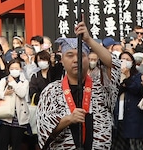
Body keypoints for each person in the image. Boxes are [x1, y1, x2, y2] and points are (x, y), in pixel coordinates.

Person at [37, 22, 121, 150]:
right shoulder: (51, 91)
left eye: (81, 55)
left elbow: (114, 64)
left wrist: (89, 40)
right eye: (69, 55)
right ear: (62, 61)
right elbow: (44, 130)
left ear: (89, 59)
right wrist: (68, 119)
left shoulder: (102, 87)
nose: (76, 59)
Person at [0, 57, 29, 150]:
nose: (14, 71)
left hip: (19, 118)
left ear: (21, 69)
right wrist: (4, 93)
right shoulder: (3, 80)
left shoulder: (25, 81)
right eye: (12, 69)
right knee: (2, 144)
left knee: (16, 145)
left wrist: (13, 82)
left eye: (16, 68)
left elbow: (22, 93)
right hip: (5, 117)